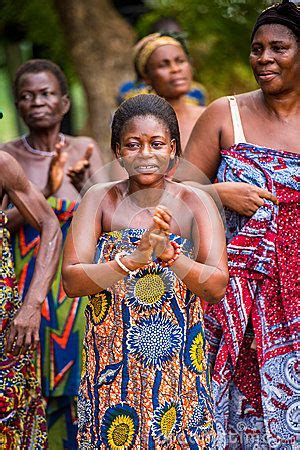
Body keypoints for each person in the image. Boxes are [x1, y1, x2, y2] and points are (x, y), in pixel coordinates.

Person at [62, 94, 228, 448]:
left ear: (173, 150)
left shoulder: (196, 202)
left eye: (156, 144)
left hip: (178, 369)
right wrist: (131, 261)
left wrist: (172, 257)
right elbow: (72, 281)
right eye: (133, 145)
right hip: (112, 367)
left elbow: (215, 287)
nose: (146, 154)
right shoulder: (99, 199)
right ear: (117, 151)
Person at [185, 1, 300, 448]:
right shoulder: (223, 114)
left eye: (278, 48)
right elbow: (164, 196)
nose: (264, 58)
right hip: (232, 297)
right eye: (256, 48)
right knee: (233, 421)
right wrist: (217, 193)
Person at [0, 59, 107, 448]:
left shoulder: (85, 149)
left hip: (75, 283)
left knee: (78, 377)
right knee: (31, 375)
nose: (37, 102)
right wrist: (44, 190)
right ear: (17, 106)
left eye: (46, 94)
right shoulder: (8, 155)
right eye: (26, 97)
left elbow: (109, 218)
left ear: (64, 102)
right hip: (26, 280)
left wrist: (85, 185)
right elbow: (4, 224)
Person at [0, 152, 61, 448]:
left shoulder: (2, 165)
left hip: (6, 330)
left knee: (12, 423)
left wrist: (31, 305)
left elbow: (49, 224)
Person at [132, 32, 205, 151]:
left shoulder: (208, 116)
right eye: (163, 65)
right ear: (146, 77)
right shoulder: (137, 125)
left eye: (180, 61)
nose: (175, 69)